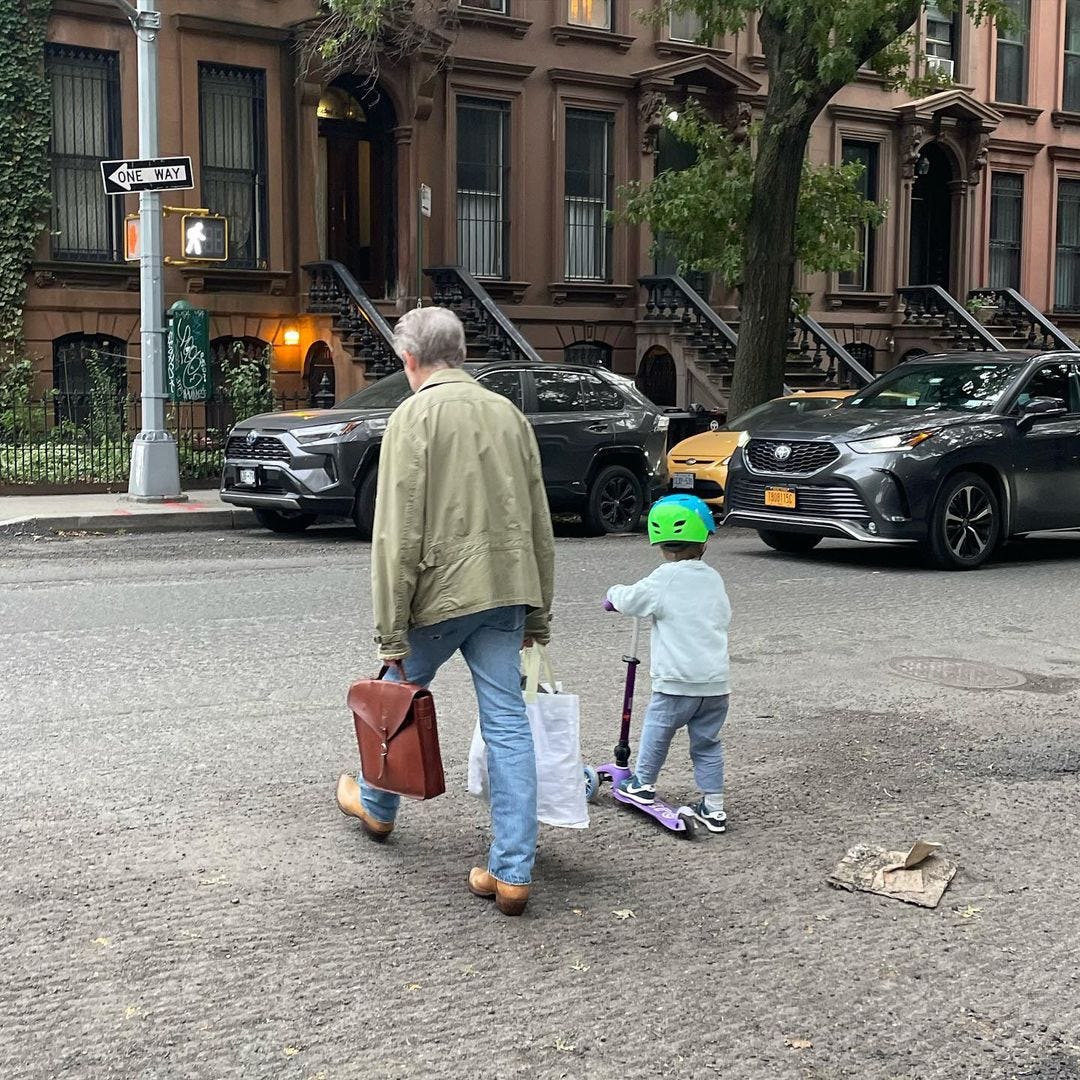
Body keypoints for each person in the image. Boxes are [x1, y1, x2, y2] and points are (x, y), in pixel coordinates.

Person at [334, 305, 555, 916]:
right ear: (459, 352)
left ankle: (378, 808)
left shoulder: (414, 415)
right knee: (508, 723)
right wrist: (540, 611)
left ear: (410, 359)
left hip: (440, 592)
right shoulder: (508, 414)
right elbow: (540, 518)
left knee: (391, 697)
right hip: (507, 586)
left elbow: (396, 531)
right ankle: (512, 873)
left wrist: (390, 628)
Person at [604, 495, 731, 833]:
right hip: (715, 685)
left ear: (659, 542)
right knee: (707, 743)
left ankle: (642, 783)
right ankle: (714, 807)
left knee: (658, 729)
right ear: (704, 539)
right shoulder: (713, 578)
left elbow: (631, 599)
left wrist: (613, 594)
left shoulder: (665, 577)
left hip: (677, 682)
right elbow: (723, 616)